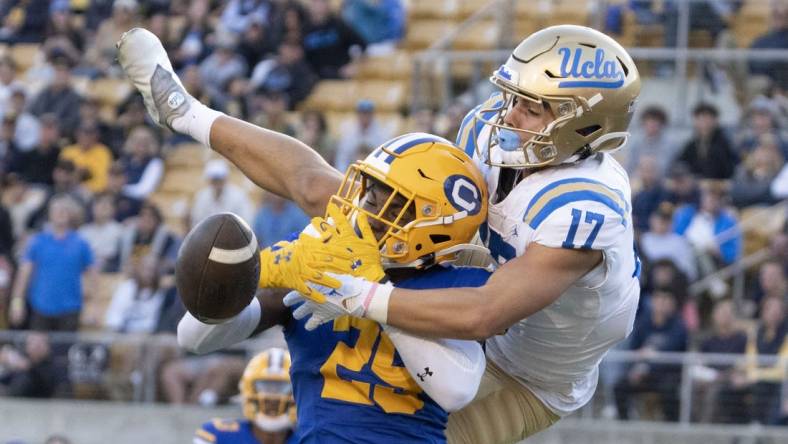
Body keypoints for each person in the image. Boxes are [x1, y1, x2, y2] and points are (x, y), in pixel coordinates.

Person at [117, 24, 641, 442]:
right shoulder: (491, 129)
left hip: (524, 375)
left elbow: (487, 311)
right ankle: (187, 113)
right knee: (365, 205)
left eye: (532, 107)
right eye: (513, 97)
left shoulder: (586, 209)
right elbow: (319, 186)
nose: (509, 113)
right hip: (451, 294)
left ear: (584, 125)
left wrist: (356, 292)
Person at [179, 136, 490, 443]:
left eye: (396, 207)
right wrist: (250, 275)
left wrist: (373, 292)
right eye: (371, 198)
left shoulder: (460, 285)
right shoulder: (322, 264)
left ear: (438, 225)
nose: (372, 216)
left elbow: (455, 391)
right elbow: (193, 337)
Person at [9, 195, 97, 331]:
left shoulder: (81, 244)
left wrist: (91, 307)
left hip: (70, 308)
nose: (60, 213)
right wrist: (17, 303)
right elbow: (23, 275)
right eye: (56, 210)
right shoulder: (38, 242)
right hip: (40, 307)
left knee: (65, 350)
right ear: (50, 214)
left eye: (64, 210)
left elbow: (91, 276)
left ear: (70, 215)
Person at [194, 348, 295, 444]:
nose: (273, 398)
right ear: (247, 388)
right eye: (265, 386)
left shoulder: (307, 438)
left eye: (282, 387)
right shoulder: (218, 434)